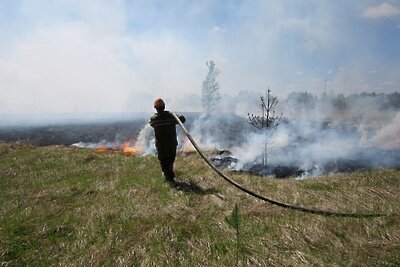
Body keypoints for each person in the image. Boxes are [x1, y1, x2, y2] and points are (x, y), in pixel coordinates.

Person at [149, 98, 186, 185]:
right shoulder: (171, 117)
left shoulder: (154, 119)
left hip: (161, 145)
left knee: (164, 161)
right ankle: (170, 177)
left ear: (155, 108)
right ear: (164, 106)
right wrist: (172, 114)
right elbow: (182, 119)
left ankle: (169, 178)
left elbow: (152, 123)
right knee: (170, 160)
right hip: (172, 144)